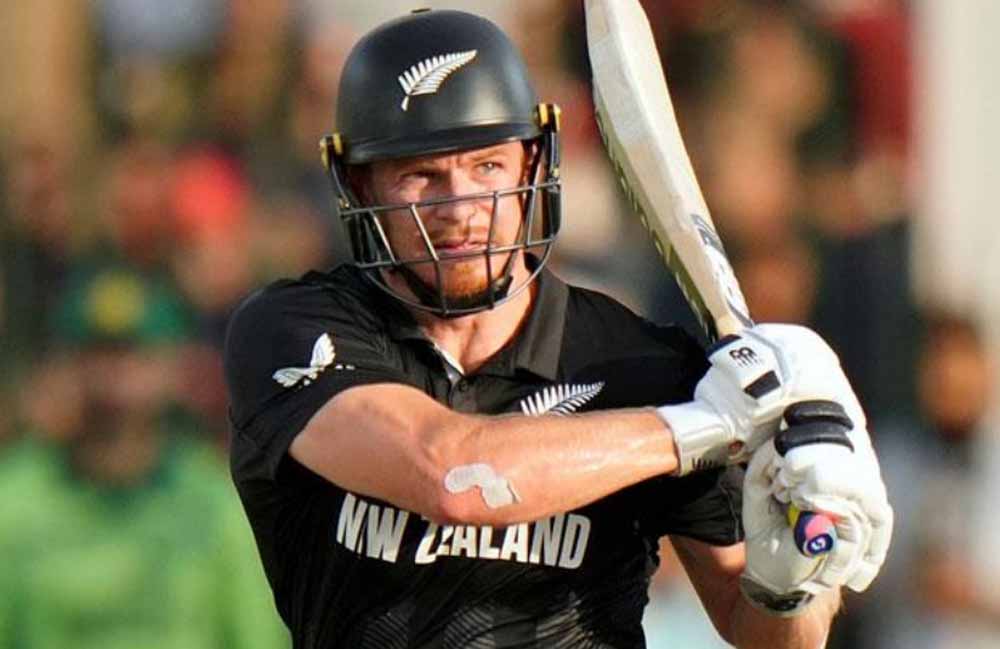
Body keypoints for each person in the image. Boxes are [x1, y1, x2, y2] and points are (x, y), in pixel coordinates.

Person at [223, 9, 892, 649]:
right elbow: (451, 475)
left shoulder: (642, 366)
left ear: (533, 165)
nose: (460, 207)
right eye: (420, 175)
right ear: (360, 187)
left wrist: (791, 585)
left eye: (487, 166)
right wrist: (699, 428)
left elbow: (765, 634)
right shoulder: (298, 331)